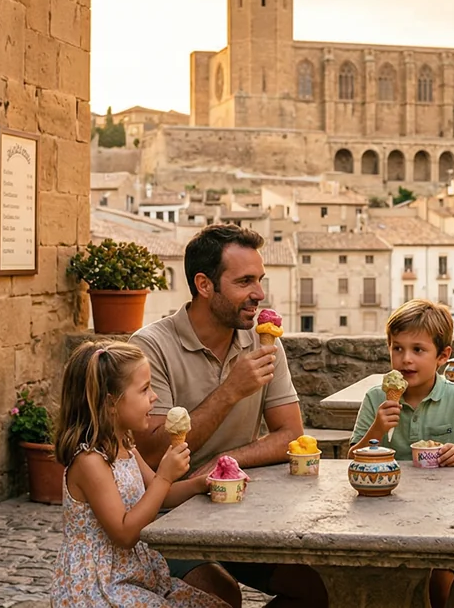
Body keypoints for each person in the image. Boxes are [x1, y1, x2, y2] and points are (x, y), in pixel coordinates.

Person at [131, 224, 327, 608]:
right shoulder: (150, 348)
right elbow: (152, 454)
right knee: (221, 597)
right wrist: (231, 391)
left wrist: (227, 464)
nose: (259, 293)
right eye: (245, 281)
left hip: (241, 510)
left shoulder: (263, 343)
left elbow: (290, 433)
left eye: (260, 279)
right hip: (168, 517)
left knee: (321, 589)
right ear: (205, 285)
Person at [51, 340, 231, 607]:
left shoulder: (125, 446)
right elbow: (124, 534)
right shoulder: (90, 461)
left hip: (134, 575)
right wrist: (165, 476)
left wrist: (200, 484)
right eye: (144, 389)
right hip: (100, 586)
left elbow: (160, 495)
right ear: (111, 402)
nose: (154, 396)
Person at [349, 298, 454, 608]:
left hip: (444, 510)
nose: (405, 360)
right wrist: (377, 428)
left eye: (418, 350)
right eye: (397, 348)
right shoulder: (376, 397)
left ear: (442, 356)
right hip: (387, 509)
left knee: (438, 570)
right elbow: (354, 456)